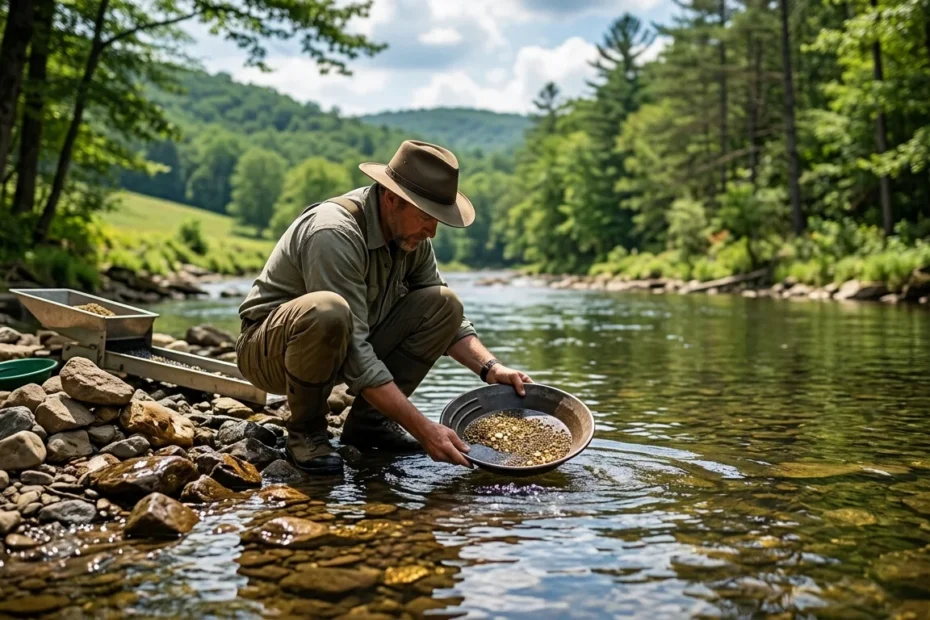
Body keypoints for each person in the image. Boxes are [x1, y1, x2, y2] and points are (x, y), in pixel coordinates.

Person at [236, 140, 533, 473]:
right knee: (327, 309)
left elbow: (450, 322)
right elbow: (357, 354)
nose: (432, 230)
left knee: (444, 303)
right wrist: (424, 430)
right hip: (268, 352)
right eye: (426, 217)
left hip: (338, 346)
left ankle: (370, 426)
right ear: (392, 199)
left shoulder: (411, 236)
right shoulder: (333, 231)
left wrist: (491, 368)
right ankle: (306, 433)